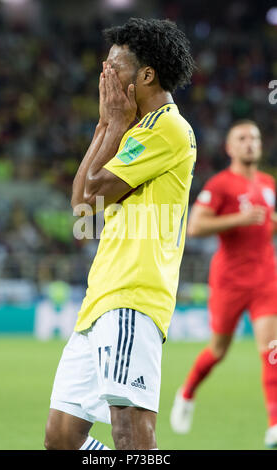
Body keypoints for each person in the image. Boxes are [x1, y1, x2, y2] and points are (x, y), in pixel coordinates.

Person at [44, 18, 196, 450]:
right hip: (100, 300)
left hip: (132, 295)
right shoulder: (134, 130)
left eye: (114, 66)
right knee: (61, 440)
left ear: (146, 75)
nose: (104, 75)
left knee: (130, 434)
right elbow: (82, 209)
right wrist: (104, 125)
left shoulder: (166, 127)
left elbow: (93, 190)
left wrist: (112, 124)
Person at [170, 120, 277, 448]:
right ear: (230, 148)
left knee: (271, 349)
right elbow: (196, 227)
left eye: (255, 138)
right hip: (229, 281)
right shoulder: (220, 185)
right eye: (242, 138)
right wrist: (238, 219)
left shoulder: (268, 183)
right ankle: (186, 393)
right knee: (218, 350)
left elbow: (265, 228)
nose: (250, 143)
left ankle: (274, 425)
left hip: (265, 279)